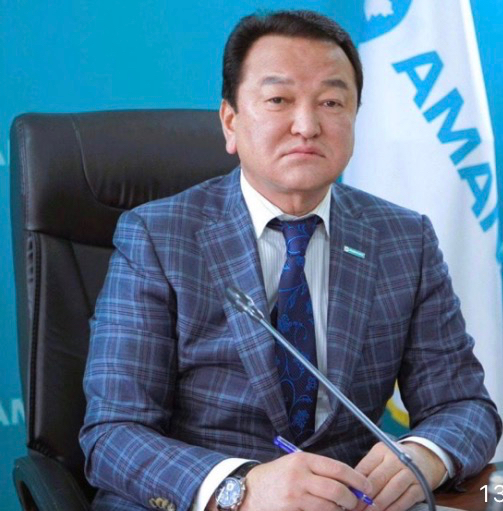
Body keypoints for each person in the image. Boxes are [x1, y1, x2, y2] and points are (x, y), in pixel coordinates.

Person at [80, 10, 502, 511]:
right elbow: (113, 434)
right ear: (230, 122)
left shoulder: (404, 239)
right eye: (279, 100)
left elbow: (464, 406)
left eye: (331, 102)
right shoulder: (158, 236)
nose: (307, 126)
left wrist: (425, 455)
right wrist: (240, 489)